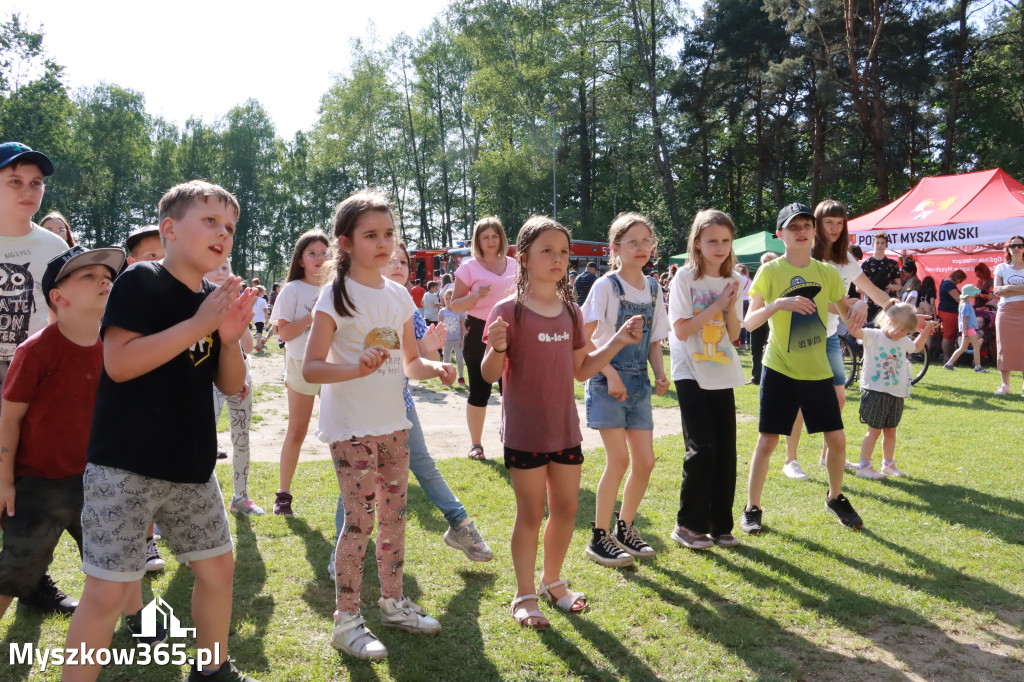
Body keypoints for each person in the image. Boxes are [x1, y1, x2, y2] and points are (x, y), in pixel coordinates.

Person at [61, 180, 261, 682]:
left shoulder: (214, 300)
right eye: (210, 221)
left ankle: (211, 671)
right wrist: (201, 324)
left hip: (192, 468)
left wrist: (229, 338)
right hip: (124, 467)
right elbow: (121, 363)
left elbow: (232, 385)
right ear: (169, 229)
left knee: (217, 570)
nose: (223, 234)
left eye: (230, 227)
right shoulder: (139, 281)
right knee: (107, 592)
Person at [303, 190, 453, 661]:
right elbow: (311, 368)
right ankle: (346, 622)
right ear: (345, 243)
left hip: (394, 424)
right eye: (371, 235)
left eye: (389, 233)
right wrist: (355, 369)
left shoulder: (398, 297)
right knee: (360, 523)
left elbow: (409, 363)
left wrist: (437, 369)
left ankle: (393, 604)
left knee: (395, 518)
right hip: (350, 428)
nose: (384, 243)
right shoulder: (335, 296)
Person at [481, 215, 643, 629]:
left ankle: (553, 582)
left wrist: (618, 340)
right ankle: (524, 594)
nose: (558, 259)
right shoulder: (508, 311)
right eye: (547, 251)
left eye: (564, 251)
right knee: (531, 513)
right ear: (523, 258)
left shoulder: (571, 312)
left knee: (567, 509)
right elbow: (486, 374)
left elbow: (582, 369)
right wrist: (497, 348)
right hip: (525, 433)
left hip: (564, 430)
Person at [0, 246, 123, 625]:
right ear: (58, 296)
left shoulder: (115, 346)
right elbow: (9, 419)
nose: (104, 280)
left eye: (107, 276)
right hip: (38, 486)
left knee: (116, 562)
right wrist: (5, 482)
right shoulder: (36, 351)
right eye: (88, 276)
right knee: (15, 572)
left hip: (95, 481)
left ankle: (140, 625)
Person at [741, 203, 866, 535]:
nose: (801, 231)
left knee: (837, 440)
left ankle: (835, 497)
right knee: (767, 442)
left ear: (815, 232)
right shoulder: (770, 272)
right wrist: (779, 303)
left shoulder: (826, 273)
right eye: (792, 226)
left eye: (806, 225)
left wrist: (862, 305)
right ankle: (752, 507)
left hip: (817, 370)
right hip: (780, 368)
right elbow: (749, 322)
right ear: (780, 235)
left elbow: (847, 309)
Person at [0, 142, 75, 611]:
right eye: (15, 182)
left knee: (29, 486)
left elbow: (69, 318)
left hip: (37, 381)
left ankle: (31, 582)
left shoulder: (55, 248)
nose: (29, 191)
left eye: (36, 183)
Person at [581, 213, 669, 567]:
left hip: (640, 385)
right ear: (614, 248)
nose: (641, 248)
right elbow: (584, 342)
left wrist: (660, 374)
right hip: (606, 383)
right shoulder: (605, 287)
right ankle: (600, 537)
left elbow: (655, 340)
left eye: (647, 241)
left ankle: (625, 527)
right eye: (632, 241)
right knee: (618, 461)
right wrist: (611, 375)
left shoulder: (653, 288)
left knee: (645, 462)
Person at [782, 200, 889, 481]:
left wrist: (901, 312)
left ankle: (827, 455)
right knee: (801, 401)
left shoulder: (845, 259)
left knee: (839, 398)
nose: (834, 228)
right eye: (828, 222)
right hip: (803, 335)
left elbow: (872, 290)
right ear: (817, 224)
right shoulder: (808, 256)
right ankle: (790, 460)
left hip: (830, 336)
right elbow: (812, 299)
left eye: (840, 223)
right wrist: (850, 306)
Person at [668, 210, 745, 550]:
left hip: (721, 372)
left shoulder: (735, 282)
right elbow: (682, 330)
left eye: (725, 241)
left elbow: (734, 333)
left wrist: (728, 306)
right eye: (712, 240)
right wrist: (717, 304)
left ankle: (719, 525)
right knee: (703, 448)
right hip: (690, 372)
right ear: (697, 243)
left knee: (726, 451)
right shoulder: (684, 278)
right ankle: (687, 525)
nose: (719, 247)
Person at [271, 230, 330, 515]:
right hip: (301, 364)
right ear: (301, 259)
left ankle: (354, 490)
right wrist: (312, 315)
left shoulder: (339, 287)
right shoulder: (293, 289)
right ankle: (283, 494)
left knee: (342, 430)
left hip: (335, 366)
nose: (319, 258)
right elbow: (283, 332)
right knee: (297, 430)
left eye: (324, 252)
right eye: (312, 253)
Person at [450, 216, 516, 460]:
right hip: (479, 330)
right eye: (485, 236)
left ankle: (513, 441)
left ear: (502, 238)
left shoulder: (514, 265)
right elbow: (455, 306)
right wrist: (475, 296)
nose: (490, 241)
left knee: (512, 389)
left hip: (512, 330)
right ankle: (476, 445)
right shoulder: (468, 267)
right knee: (479, 390)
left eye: (494, 236)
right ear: (477, 240)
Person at [849, 301, 939, 479]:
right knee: (873, 431)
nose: (904, 334)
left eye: (908, 331)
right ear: (889, 321)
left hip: (896, 394)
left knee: (891, 431)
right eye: (902, 329)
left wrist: (927, 329)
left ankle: (888, 464)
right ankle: (864, 466)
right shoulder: (873, 335)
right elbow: (855, 331)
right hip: (875, 392)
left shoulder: (903, 339)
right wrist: (856, 310)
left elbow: (916, 347)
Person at [206, 261, 262, 515]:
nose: (222, 272)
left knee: (241, 440)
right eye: (216, 268)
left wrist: (237, 313)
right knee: (202, 441)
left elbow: (248, 347)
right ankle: (197, 501)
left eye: (226, 268)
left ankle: (241, 497)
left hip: (242, 382)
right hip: (209, 381)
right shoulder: (197, 304)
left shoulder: (235, 302)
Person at [993, 235, 1024, 396]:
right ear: (1008, 248)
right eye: (1013, 246)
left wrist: (1009, 288)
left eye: (1020, 246)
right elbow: (997, 290)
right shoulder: (1001, 268)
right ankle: (1005, 386)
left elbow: (1003, 289)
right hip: (1006, 311)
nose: (1016, 249)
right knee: (1004, 347)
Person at [747, 251, 777, 384]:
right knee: (755, 347)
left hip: (773, 318)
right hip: (758, 316)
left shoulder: (779, 277)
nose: (766, 265)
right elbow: (751, 297)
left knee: (773, 348)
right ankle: (756, 377)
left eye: (769, 262)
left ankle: (771, 378)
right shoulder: (759, 278)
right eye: (764, 263)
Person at [943, 285, 987, 372]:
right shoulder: (966, 305)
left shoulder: (966, 304)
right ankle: (978, 367)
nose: (975, 294)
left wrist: (965, 333)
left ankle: (949, 364)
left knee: (963, 348)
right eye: (973, 293)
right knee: (977, 346)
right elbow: (964, 320)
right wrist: (966, 334)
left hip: (967, 330)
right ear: (969, 294)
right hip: (969, 330)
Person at [860, 231, 901, 321]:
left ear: (886, 245)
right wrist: (871, 289)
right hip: (871, 305)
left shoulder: (892, 264)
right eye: (877, 243)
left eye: (882, 243)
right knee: (872, 331)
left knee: (888, 332)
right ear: (872, 244)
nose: (880, 245)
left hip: (888, 304)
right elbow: (858, 288)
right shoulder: (866, 264)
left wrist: (892, 287)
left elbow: (899, 286)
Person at [937, 270, 967, 361]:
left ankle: (949, 357)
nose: (960, 282)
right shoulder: (949, 285)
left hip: (947, 312)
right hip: (948, 313)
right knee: (948, 335)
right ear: (957, 278)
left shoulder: (946, 283)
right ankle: (947, 357)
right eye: (960, 280)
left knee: (951, 336)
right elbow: (959, 299)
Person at [439, 287, 467, 385]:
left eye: (450, 298)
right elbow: (440, 326)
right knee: (446, 359)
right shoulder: (442, 312)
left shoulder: (460, 312)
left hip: (458, 339)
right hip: (447, 340)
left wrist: (463, 339)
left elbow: (463, 326)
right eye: (446, 298)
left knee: (459, 358)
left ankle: (461, 377)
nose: (448, 301)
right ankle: (445, 377)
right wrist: (441, 339)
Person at [735, 263, 752, 349]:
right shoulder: (749, 279)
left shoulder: (739, 278)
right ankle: (749, 343)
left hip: (741, 301)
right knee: (748, 322)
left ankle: (742, 344)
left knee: (742, 323)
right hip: (748, 301)